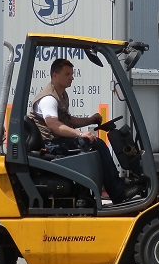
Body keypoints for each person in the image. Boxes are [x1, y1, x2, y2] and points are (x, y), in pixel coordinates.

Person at [30, 58, 141, 205]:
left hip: (58, 141)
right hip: (53, 144)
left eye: (72, 73)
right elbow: (54, 125)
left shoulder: (61, 94)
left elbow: (68, 120)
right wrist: (81, 134)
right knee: (97, 144)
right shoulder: (49, 99)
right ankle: (117, 192)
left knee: (95, 143)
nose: (72, 77)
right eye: (67, 74)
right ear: (54, 75)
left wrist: (90, 120)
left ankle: (114, 185)